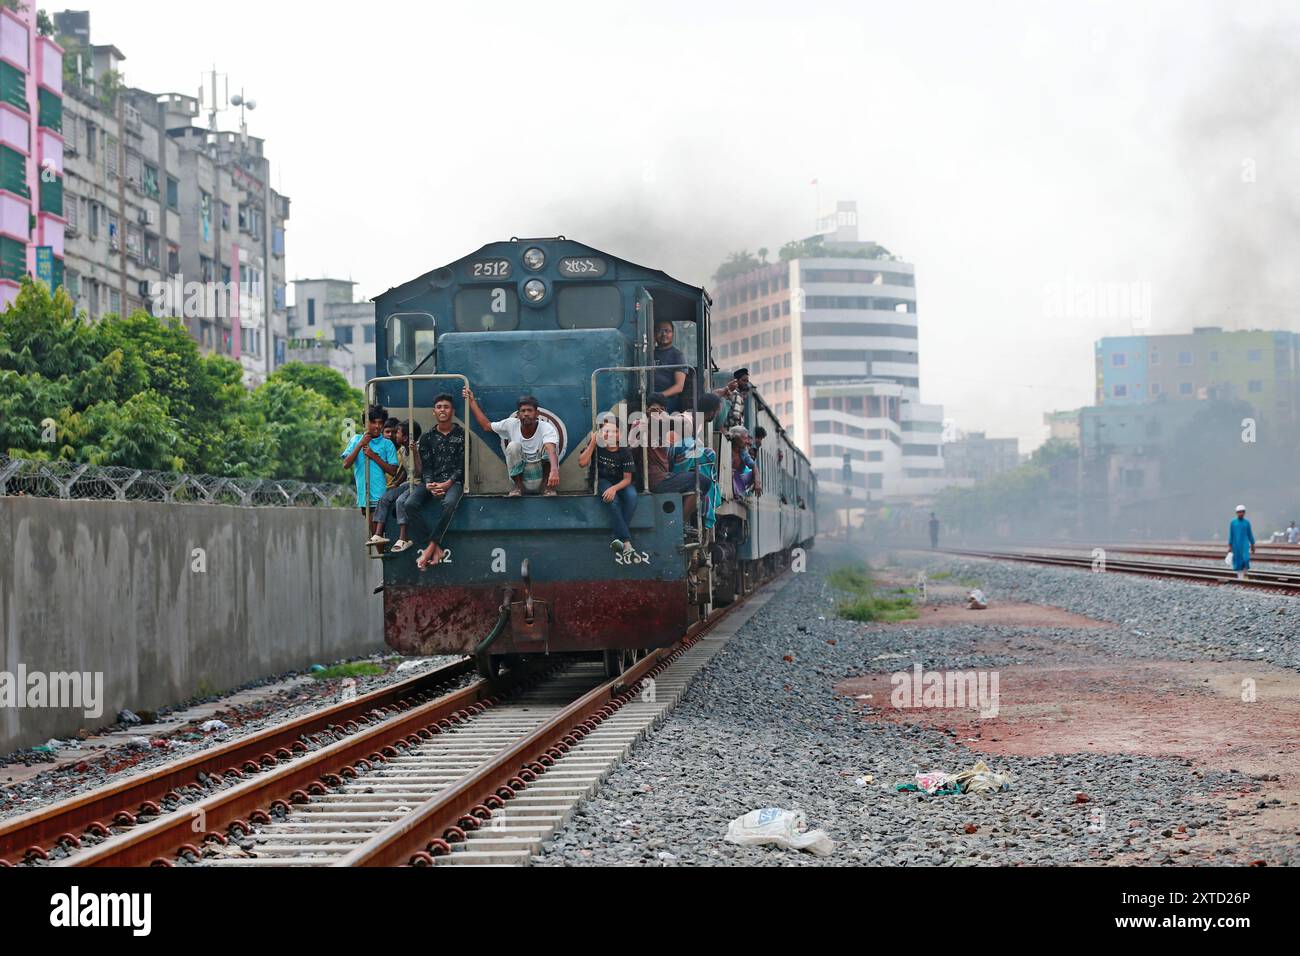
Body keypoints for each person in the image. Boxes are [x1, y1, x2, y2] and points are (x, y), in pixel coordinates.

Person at [396, 395, 465, 567]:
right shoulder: (427, 437)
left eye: (446, 407)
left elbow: (462, 467)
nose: (442, 409)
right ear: (434, 412)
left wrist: (447, 484)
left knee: (449, 504)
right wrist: (429, 484)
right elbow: (426, 467)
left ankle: (431, 548)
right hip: (431, 483)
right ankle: (434, 548)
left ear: (453, 411)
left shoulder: (462, 435)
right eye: (439, 407)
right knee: (409, 504)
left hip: (453, 483)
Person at [464, 387, 561, 497]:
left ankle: (547, 489)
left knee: (550, 446)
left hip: (544, 478)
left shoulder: (546, 427)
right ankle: (517, 488)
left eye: (530, 410)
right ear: (518, 415)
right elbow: (486, 426)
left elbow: (550, 449)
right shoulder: (511, 424)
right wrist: (471, 401)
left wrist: (554, 470)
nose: (526, 414)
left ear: (537, 413)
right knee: (513, 446)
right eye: (523, 411)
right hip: (522, 478)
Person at [642, 392, 713, 523]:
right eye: (653, 410)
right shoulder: (641, 426)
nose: (656, 413)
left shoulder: (664, 428)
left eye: (660, 410)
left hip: (663, 475)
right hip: (656, 479)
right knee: (701, 481)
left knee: (701, 481)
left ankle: (683, 522)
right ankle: (679, 525)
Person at [579, 416, 637, 555]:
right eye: (606, 431)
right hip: (602, 480)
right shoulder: (597, 446)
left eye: (614, 431)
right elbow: (582, 463)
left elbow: (627, 479)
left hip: (620, 483)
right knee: (612, 500)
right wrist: (593, 441)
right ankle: (626, 540)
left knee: (632, 496)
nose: (610, 434)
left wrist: (614, 488)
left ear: (620, 435)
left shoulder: (624, 451)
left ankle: (616, 536)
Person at [342, 405, 399, 543]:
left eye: (380, 422)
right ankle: (384, 560)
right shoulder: (356, 439)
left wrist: (373, 456)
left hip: (380, 495)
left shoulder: (387, 444)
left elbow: (392, 470)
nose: (377, 426)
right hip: (364, 495)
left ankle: (386, 560)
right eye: (373, 422)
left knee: (377, 535)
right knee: (375, 534)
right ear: (365, 423)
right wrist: (361, 444)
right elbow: (346, 464)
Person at [372, 419, 421, 551]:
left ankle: (403, 537)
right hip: (407, 483)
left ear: (405, 437)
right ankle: (378, 534)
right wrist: (396, 484)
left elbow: (418, 472)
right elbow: (406, 470)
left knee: (400, 501)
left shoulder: (417, 449)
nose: (395, 435)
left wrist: (415, 453)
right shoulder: (403, 449)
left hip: (418, 484)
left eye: (397, 432)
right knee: (385, 498)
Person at [652, 319, 688, 412]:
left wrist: (660, 396)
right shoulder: (649, 353)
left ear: (673, 334)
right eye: (660, 331)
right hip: (648, 396)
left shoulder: (677, 355)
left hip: (668, 399)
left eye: (667, 331)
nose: (663, 334)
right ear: (654, 334)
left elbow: (679, 386)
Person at [728, 426, 762, 499]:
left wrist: (757, 481)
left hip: (739, 480)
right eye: (744, 438)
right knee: (732, 473)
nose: (747, 441)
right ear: (736, 438)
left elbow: (753, 466)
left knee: (754, 473)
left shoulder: (743, 452)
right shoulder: (727, 447)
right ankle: (739, 493)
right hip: (728, 479)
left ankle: (746, 494)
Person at [1229, 504, 1255, 581]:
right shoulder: (1233, 523)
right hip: (1236, 545)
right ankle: (1240, 578)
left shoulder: (1247, 523)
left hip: (1245, 544)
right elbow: (1231, 534)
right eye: (1239, 512)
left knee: (1246, 559)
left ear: (1244, 512)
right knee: (1238, 561)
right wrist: (1230, 546)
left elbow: (1250, 534)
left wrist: (1252, 545)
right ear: (1236, 513)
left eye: (1242, 512)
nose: (1241, 513)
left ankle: (1245, 574)